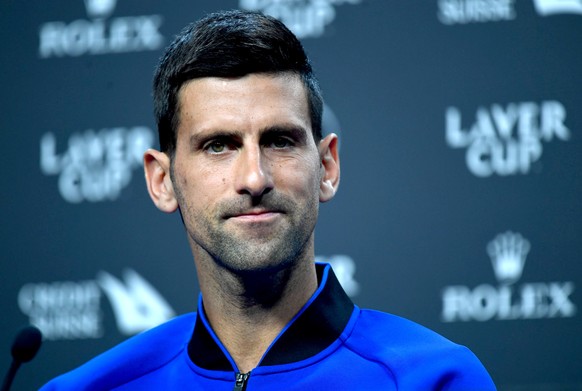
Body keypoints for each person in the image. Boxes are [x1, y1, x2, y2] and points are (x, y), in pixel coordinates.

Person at [41, 10, 496, 390]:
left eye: (280, 140)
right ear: (162, 180)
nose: (255, 178)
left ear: (327, 168)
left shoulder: (435, 380)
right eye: (218, 145)